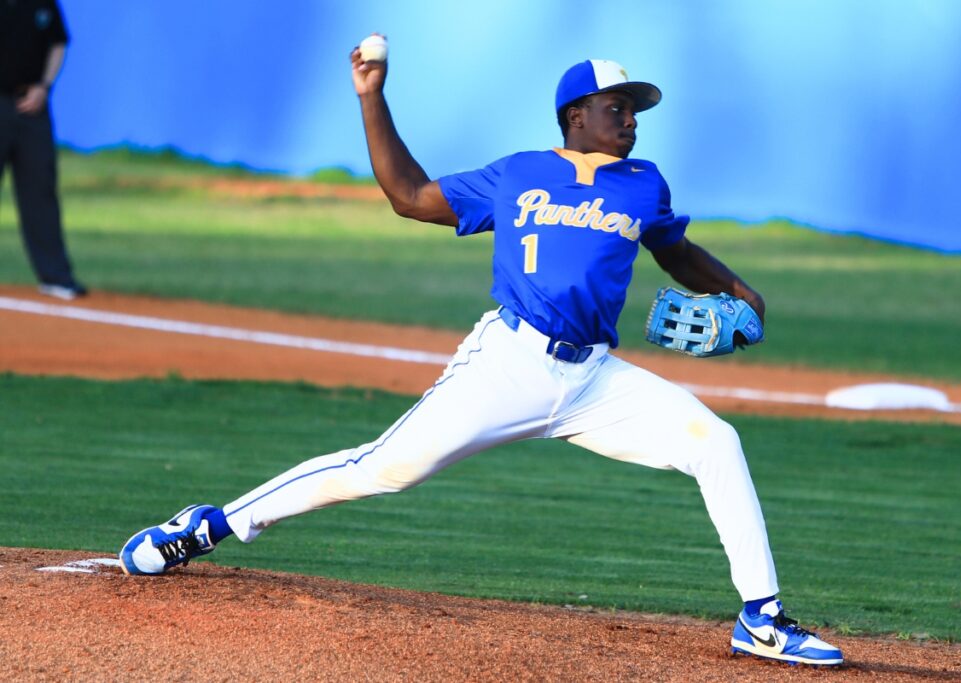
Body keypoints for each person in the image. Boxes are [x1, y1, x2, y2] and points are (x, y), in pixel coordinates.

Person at [119, 46, 843, 667]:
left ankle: (762, 618)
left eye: (633, 108)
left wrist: (744, 294)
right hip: (509, 364)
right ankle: (210, 525)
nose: (630, 118)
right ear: (575, 116)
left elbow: (676, 251)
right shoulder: (521, 172)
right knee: (382, 468)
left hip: (593, 378)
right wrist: (373, 97)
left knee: (716, 441)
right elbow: (407, 195)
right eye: (616, 105)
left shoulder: (643, 182)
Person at [0, 0, 86, 300]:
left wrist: (44, 86)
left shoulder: (43, 2)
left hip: (32, 105)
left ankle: (55, 276)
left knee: (40, 190)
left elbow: (58, 43)